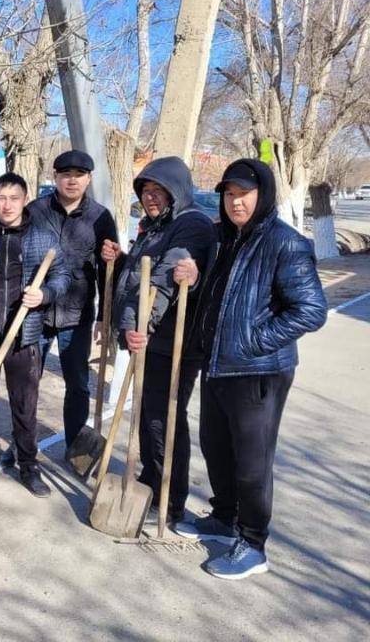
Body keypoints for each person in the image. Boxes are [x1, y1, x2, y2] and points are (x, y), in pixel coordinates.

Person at [173, 159, 327, 580]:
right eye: (229, 194)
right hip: (218, 365)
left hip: (258, 372)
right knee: (216, 446)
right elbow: (223, 295)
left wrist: (250, 343)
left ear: (264, 195)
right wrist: (196, 278)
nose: (235, 202)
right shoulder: (226, 238)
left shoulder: (284, 243)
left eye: (243, 194)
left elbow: (311, 310)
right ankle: (224, 518)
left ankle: (254, 544)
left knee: (252, 463)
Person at [100, 156, 217, 527]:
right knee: (151, 415)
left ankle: (171, 499)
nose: (149, 197)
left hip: (173, 341)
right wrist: (122, 260)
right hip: (155, 339)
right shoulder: (157, 226)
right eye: (145, 191)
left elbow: (164, 281)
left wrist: (142, 326)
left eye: (158, 190)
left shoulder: (191, 224)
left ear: (176, 192)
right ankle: (151, 481)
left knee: (163, 420)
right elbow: (141, 274)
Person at [0, 173, 69, 497]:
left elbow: (62, 276)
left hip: (24, 334)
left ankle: (28, 465)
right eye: (1, 198)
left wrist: (44, 294)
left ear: (25, 199)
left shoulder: (42, 239)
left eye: (14, 198)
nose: (7, 205)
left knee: (24, 405)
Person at [26, 150, 118, 468]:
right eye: (66, 174)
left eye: (79, 175)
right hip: (36, 312)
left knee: (77, 384)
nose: (72, 180)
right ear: (55, 177)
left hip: (77, 314)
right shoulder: (36, 211)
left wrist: (105, 317)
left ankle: (76, 450)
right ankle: (23, 445)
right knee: (27, 382)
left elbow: (108, 270)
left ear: (88, 179)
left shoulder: (101, 218)